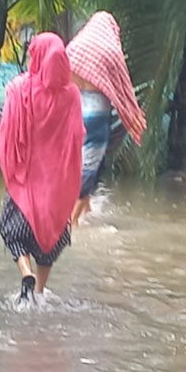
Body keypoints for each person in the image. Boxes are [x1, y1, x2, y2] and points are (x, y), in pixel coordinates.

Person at [0, 33, 84, 301]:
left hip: (27, 177)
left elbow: (8, 132)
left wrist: (11, 168)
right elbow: (78, 137)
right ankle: (40, 292)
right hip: (57, 182)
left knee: (11, 229)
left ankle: (25, 270)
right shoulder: (72, 95)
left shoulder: (20, 88)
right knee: (52, 240)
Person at [66, 12, 147, 226]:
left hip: (73, 113)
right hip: (96, 114)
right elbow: (123, 87)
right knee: (90, 166)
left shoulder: (74, 48)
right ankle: (72, 224)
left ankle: (84, 211)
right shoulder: (110, 50)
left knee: (79, 163)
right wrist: (133, 113)